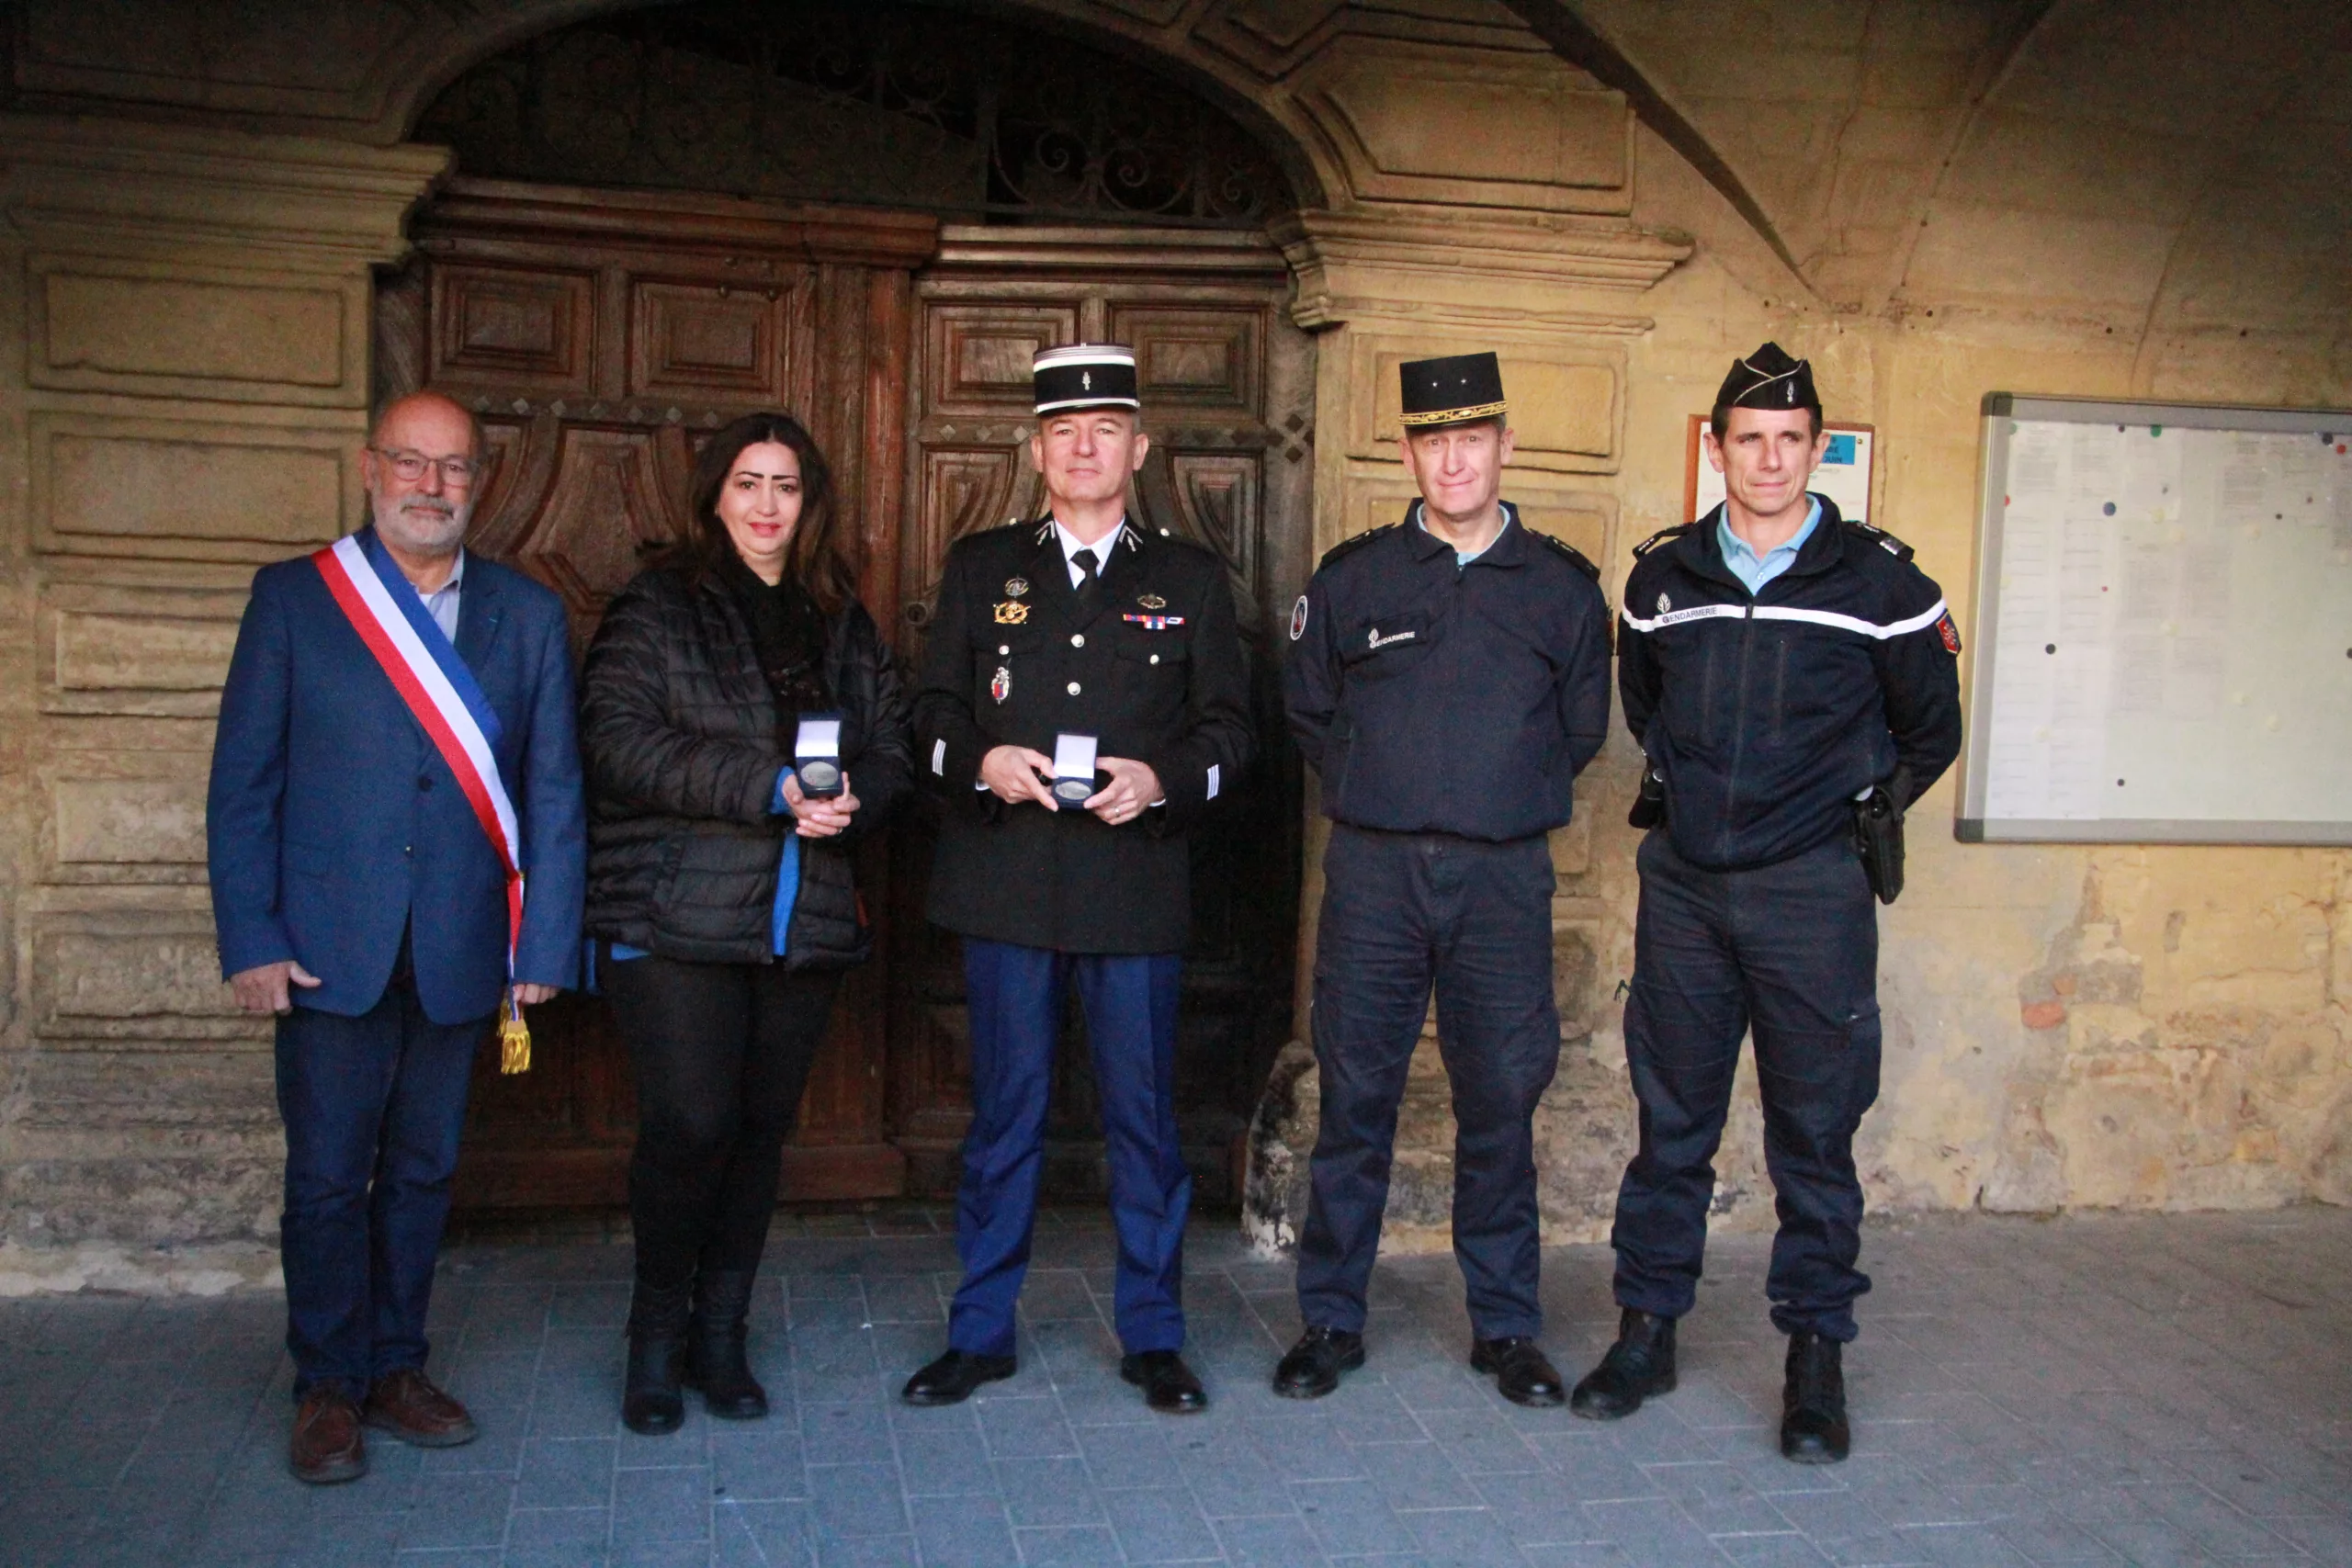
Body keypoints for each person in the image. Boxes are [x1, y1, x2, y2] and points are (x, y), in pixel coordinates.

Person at [1573, 343, 1962, 1462]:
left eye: (1793, 441)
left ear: (1815, 449)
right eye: (1750, 440)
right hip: (1688, 890)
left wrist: (1844, 817)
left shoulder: (1882, 583)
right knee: (1671, 1128)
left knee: (1814, 1134)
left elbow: (1928, 732)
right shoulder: (1663, 579)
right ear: (1719, 449)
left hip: (1811, 897)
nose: (1772, 460)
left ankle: (1814, 1362)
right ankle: (1645, 1333)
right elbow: (1646, 707)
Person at [207, 391, 586, 1484]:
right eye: (412, 465)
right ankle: (326, 1383)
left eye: (454, 468)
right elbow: (243, 787)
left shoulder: (526, 614)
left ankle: (395, 1366)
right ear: (372, 470)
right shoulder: (294, 599)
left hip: (464, 948)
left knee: (423, 1172)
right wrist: (250, 940)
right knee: (328, 1177)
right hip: (328, 946)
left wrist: (544, 948)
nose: (433, 487)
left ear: (481, 480)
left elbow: (553, 792)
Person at [903, 344, 1252, 1415]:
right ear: (1039, 450)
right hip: (1006, 886)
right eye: (1065, 430)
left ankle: (1152, 1337)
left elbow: (1235, 734)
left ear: (1139, 448)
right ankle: (981, 1332)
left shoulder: (1189, 579)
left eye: (1106, 428)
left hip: (1132, 890)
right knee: (1005, 1117)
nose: (1085, 445)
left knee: (1143, 1124)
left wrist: (1162, 781)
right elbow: (930, 714)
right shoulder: (981, 566)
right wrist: (978, 762)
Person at [1275, 351, 1613, 1405]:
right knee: (1357, 1096)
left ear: (1506, 448)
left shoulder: (1560, 588)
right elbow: (1308, 713)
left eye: (1472, 438)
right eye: (1431, 439)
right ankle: (1331, 1319)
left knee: (1502, 1101)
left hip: (1501, 881)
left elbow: (1579, 730)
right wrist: (1392, 786)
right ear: (1409, 451)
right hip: (1374, 876)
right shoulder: (1354, 578)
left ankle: (1506, 1328)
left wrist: (1484, 796)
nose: (1452, 458)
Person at [578, 412, 912, 1436]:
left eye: (786, 487)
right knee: (690, 1125)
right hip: (675, 912)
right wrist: (765, 785)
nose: (767, 506)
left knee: (760, 1133)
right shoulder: (659, 607)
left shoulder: (837, 619)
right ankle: (652, 1339)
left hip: (799, 920)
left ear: (808, 505)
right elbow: (617, 743)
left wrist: (863, 796)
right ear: (713, 498)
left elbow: (892, 744)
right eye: (747, 484)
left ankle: (720, 1338)